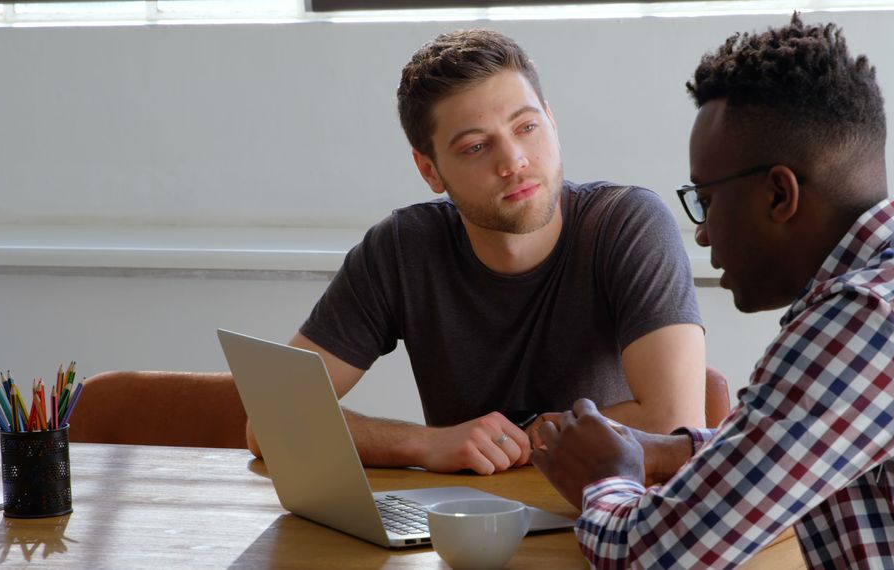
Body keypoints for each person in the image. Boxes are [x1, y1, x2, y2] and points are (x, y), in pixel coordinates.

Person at [532, 14, 894, 568]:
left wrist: (605, 477)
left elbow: (647, 556)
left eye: (705, 199)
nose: (701, 234)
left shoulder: (865, 319)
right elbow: (814, 437)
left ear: (779, 194)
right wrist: (669, 452)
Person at [246, 29, 707, 476]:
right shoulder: (402, 249)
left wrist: (521, 437)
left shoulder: (627, 224)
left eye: (527, 127)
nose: (514, 162)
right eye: (476, 147)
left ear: (552, 122)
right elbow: (270, 422)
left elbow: (674, 423)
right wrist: (427, 443)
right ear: (430, 170)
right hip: (467, 519)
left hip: (603, 511)